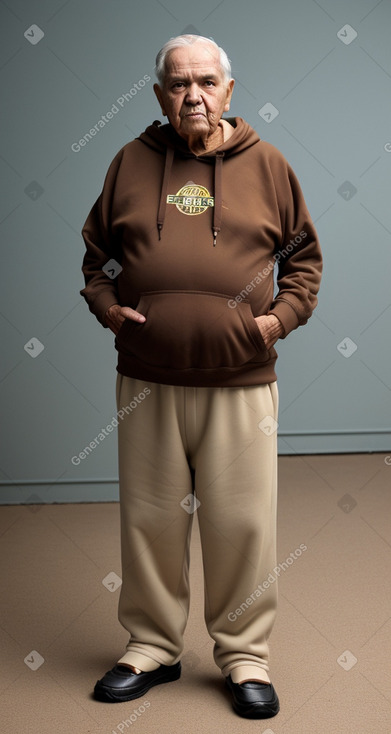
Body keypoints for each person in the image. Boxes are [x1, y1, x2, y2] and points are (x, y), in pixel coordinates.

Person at [80, 34, 322, 719]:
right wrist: (111, 313)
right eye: (179, 84)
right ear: (160, 95)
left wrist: (274, 322)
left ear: (228, 90)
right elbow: (96, 260)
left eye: (206, 81)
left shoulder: (268, 165)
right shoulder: (129, 162)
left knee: (242, 524)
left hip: (241, 382)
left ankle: (244, 657)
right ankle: (150, 648)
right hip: (148, 380)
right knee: (150, 521)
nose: (193, 94)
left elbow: (304, 262)